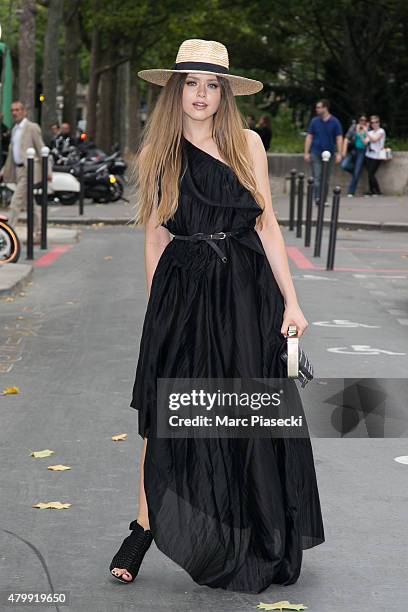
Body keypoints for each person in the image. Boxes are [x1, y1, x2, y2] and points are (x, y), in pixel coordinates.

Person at [109, 38, 325, 593]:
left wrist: (293, 303)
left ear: (225, 93)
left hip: (247, 291)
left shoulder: (246, 143)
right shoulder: (159, 148)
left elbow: (268, 226)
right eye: (191, 83)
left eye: (212, 85)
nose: (201, 94)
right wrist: (159, 310)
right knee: (167, 412)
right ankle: (143, 527)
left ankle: (253, 528)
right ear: (175, 89)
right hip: (183, 292)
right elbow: (156, 236)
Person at [0, 100, 52, 242]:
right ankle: (40, 232)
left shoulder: (32, 127)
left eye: (17, 110)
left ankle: (7, 234)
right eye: (13, 110)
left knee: (16, 201)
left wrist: (48, 171)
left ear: (24, 112)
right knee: (30, 203)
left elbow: (42, 149)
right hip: (18, 170)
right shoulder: (15, 129)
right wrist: (4, 171)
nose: (15, 113)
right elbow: (13, 153)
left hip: (29, 170)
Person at [304, 99, 343, 206]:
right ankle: (317, 197)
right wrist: (306, 152)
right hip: (316, 152)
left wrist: (339, 153)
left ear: (325, 108)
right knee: (317, 176)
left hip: (329, 153)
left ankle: (323, 199)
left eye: (319, 107)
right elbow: (309, 137)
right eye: (317, 107)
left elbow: (339, 138)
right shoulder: (314, 121)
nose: (317, 109)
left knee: (326, 178)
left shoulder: (335, 121)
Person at [341, 115, 369, 197]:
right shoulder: (353, 127)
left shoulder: (368, 129)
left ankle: (351, 191)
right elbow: (346, 138)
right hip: (353, 149)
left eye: (364, 120)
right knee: (344, 165)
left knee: (357, 171)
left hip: (362, 151)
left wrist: (363, 133)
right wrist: (344, 150)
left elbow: (366, 143)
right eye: (361, 120)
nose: (362, 122)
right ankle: (356, 172)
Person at [363, 115, 386, 196]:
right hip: (368, 155)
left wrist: (366, 132)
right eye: (372, 122)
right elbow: (365, 142)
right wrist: (360, 133)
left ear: (379, 123)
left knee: (371, 173)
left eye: (376, 122)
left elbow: (374, 139)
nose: (374, 124)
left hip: (377, 156)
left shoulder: (381, 131)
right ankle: (371, 190)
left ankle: (378, 191)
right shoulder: (370, 132)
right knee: (370, 173)